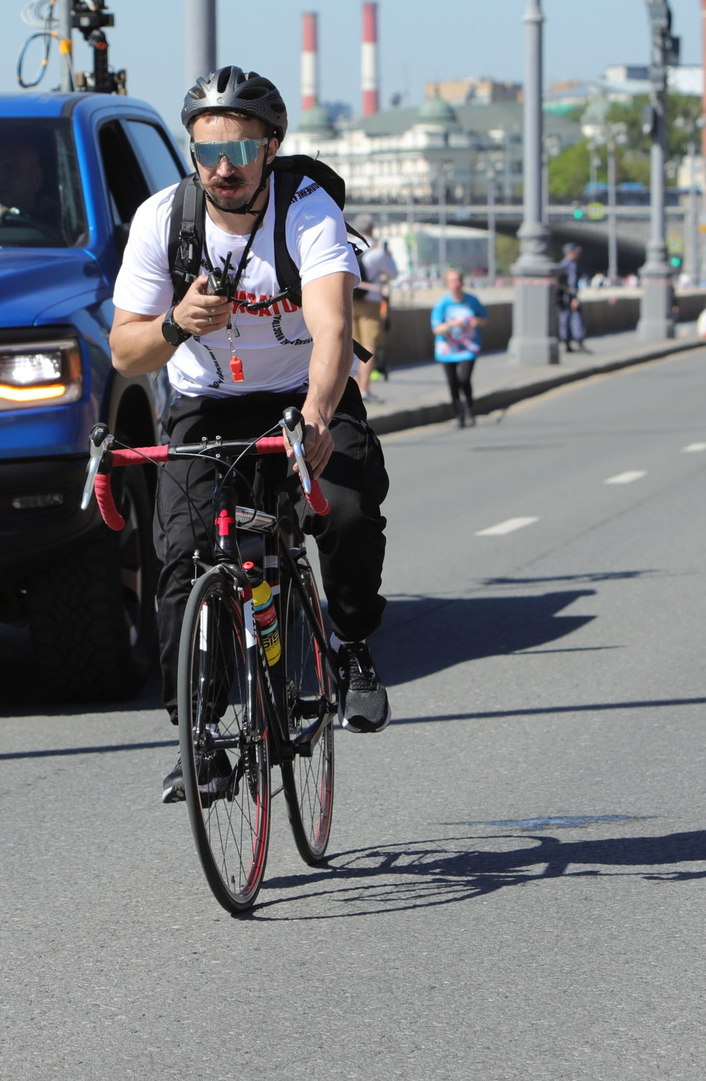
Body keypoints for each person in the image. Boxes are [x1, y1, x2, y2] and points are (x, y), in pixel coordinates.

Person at [108, 67, 390, 801]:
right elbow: (124, 350)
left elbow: (333, 330)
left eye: (240, 147)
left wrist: (320, 415)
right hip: (208, 403)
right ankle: (198, 735)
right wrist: (175, 324)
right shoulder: (161, 220)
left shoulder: (306, 210)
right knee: (179, 556)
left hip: (305, 393)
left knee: (349, 510)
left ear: (272, 146)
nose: (223, 167)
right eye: (207, 151)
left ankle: (351, 644)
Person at [432, 267, 486, 427]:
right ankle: (459, 414)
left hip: (468, 348)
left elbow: (483, 319)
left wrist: (475, 321)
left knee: (464, 378)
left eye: (458, 280)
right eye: (452, 281)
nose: (456, 284)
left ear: (462, 282)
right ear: (447, 283)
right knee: (453, 382)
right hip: (447, 350)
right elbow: (436, 329)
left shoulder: (472, 300)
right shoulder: (442, 303)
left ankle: (469, 408)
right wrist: (452, 324)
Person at [349, 215, 399, 386]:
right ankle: (364, 388)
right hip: (370, 302)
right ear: (371, 229)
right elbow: (393, 274)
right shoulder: (376, 252)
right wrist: (389, 256)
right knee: (369, 345)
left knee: (352, 347)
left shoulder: (346, 246)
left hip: (349, 301)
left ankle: (353, 386)